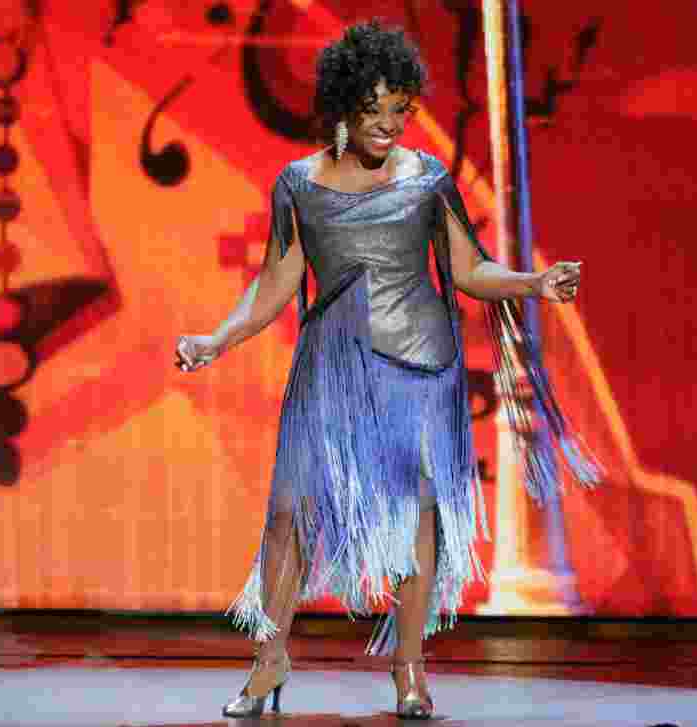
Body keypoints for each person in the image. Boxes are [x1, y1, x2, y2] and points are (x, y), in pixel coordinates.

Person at [175, 20, 599, 720]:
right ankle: (270, 655)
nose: (389, 124)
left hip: (419, 365)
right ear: (343, 104)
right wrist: (217, 339)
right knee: (289, 513)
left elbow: (467, 268)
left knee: (416, 517)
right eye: (375, 110)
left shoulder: (427, 178)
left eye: (400, 110)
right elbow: (276, 284)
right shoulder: (299, 186)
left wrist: (532, 282)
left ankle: (410, 667)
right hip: (332, 368)